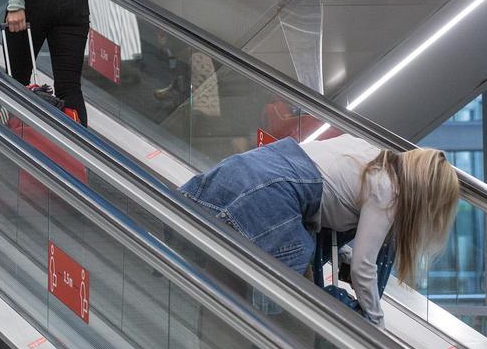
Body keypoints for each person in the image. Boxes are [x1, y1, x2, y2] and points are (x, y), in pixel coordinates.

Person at [178, 135, 459, 326]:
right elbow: (364, 267)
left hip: (244, 170)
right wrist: (376, 322)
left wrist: (347, 254)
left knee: (232, 284)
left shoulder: (367, 152)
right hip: (273, 197)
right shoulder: (389, 190)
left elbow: (331, 190)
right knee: (290, 311)